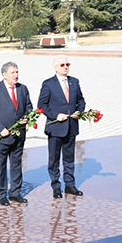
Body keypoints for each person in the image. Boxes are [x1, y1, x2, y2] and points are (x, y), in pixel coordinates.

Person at [0, 61, 33, 206]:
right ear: (4, 74)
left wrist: (27, 117)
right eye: (12, 72)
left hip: (18, 135)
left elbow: (29, 107)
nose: (16, 75)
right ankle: (1, 194)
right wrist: (0, 129)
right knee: (0, 167)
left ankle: (15, 193)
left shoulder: (23, 89)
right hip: (1, 136)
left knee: (16, 164)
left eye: (17, 72)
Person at [37, 55, 86, 199]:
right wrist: (55, 115)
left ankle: (70, 185)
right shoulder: (48, 84)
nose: (65, 67)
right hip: (56, 127)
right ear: (55, 67)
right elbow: (42, 105)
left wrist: (79, 111)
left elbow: (81, 100)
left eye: (67, 64)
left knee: (69, 158)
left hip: (71, 126)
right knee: (54, 159)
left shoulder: (74, 82)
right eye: (62, 65)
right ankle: (56, 186)